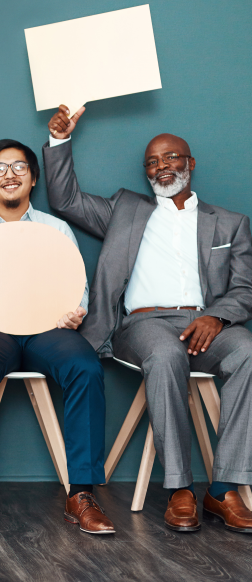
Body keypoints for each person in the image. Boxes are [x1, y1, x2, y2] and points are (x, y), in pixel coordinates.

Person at [45, 105, 252, 533]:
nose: (162, 166)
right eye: (153, 162)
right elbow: (65, 200)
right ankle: (179, 488)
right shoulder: (125, 210)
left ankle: (225, 487)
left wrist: (216, 316)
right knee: (165, 354)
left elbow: (244, 289)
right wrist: (60, 141)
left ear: (190, 164)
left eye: (172, 157)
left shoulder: (230, 223)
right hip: (143, 325)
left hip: (206, 324)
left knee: (249, 352)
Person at [0, 139, 112, 533]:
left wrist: (74, 312)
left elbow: (77, 287)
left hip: (48, 330)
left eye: (18, 167)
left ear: (33, 178)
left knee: (85, 366)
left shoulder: (56, 229)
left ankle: (81, 492)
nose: (9, 175)